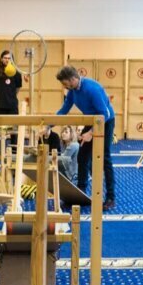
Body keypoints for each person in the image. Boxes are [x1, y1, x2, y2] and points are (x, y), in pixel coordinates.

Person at [55, 65, 116, 210]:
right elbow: (63, 110)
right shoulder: (72, 91)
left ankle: (110, 198)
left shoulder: (92, 89)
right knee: (83, 156)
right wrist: (47, 126)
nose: (64, 86)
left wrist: (90, 133)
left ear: (73, 79)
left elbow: (105, 114)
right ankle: (80, 193)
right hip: (92, 120)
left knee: (104, 158)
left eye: (65, 83)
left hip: (106, 122)